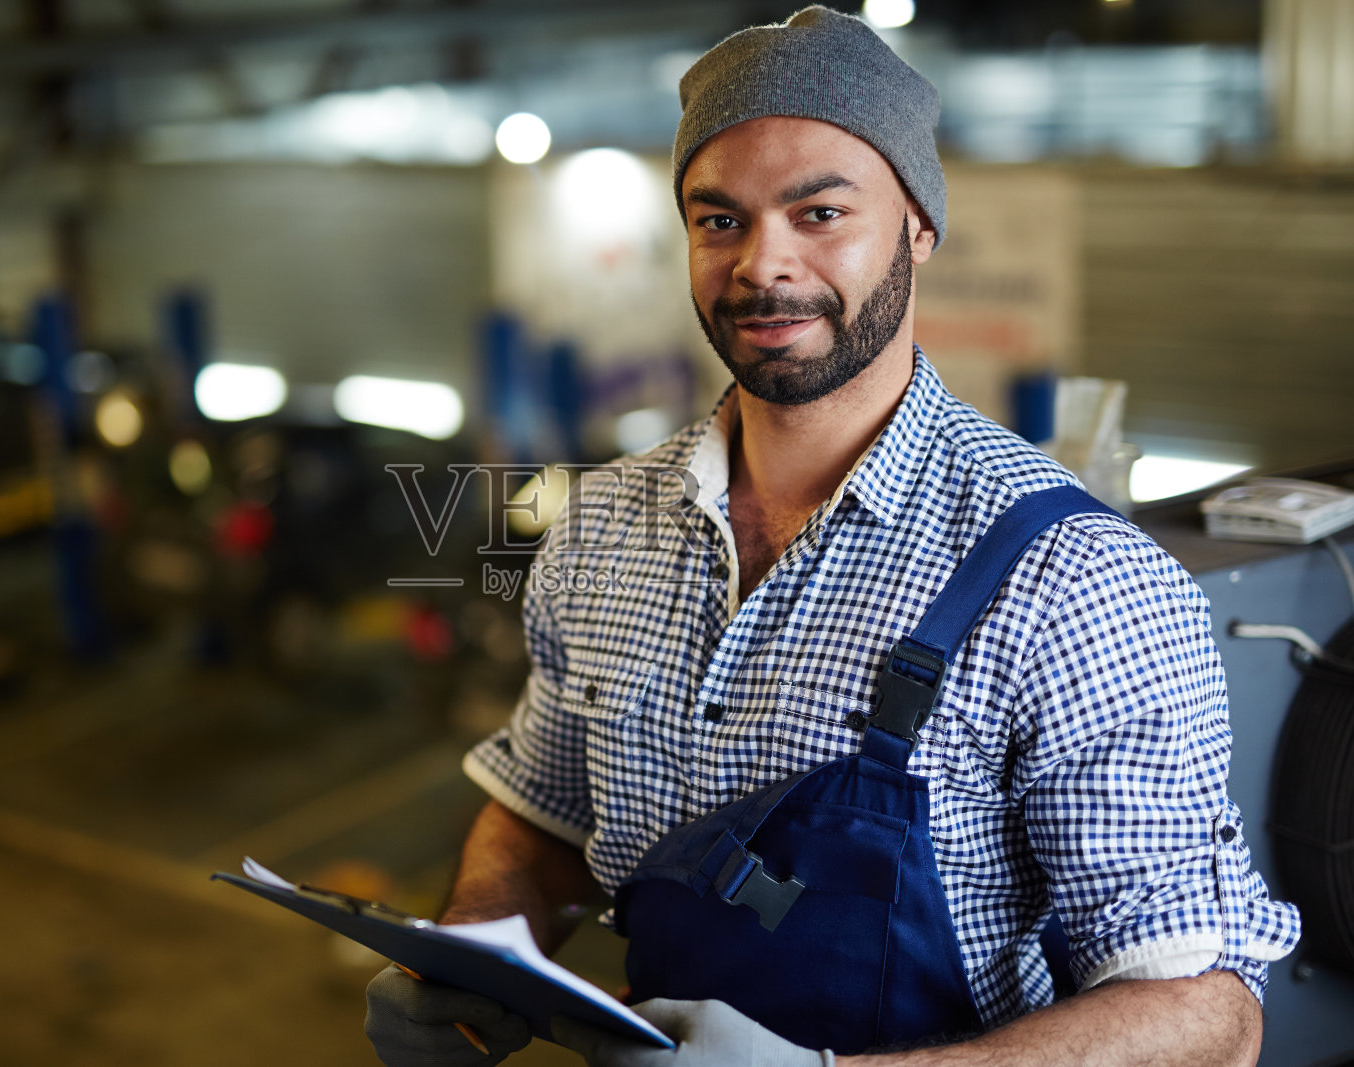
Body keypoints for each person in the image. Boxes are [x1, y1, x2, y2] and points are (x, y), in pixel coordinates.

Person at [364, 6, 1300, 1065]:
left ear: (918, 227)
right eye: (720, 220)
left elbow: (1206, 1018)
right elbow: (545, 814)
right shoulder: (604, 527)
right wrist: (475, 948)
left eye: (819, 213)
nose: (763, 264)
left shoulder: (1072, 577)